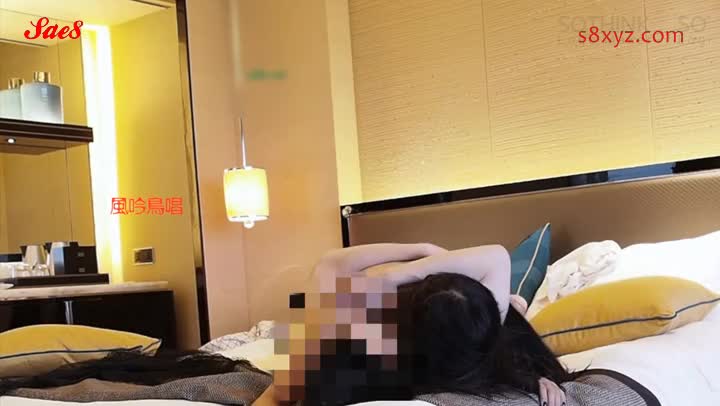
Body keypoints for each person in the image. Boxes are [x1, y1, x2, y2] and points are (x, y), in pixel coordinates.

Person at [272, 243, 569, 406]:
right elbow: (497, 256)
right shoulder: (482, 338)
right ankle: (517, 302)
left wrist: (414, 256)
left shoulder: (366, 339)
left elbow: (328, 262)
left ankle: (517, 302)